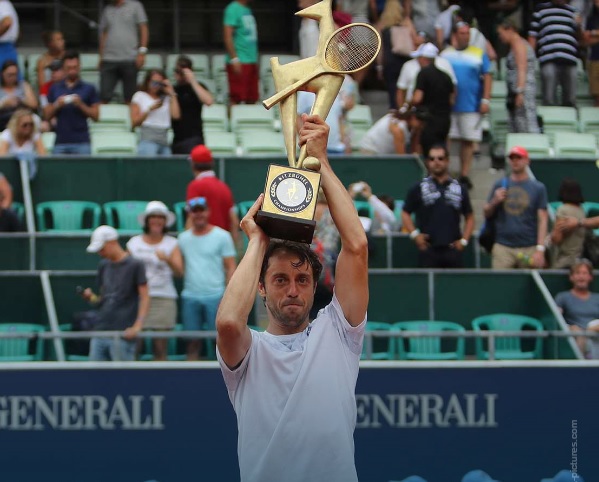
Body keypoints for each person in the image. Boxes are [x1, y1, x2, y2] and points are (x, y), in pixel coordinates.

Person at [215, 113, 369, 482]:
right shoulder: (248, 352)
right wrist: (257, 240)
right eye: (280, 279)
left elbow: (357, 246)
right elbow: (227, 322)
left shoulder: (339, 331)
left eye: (302, 279)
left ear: (315, 287)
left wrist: (323, 163)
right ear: (261, 287)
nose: (293, 289)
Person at [177, 196, 237, 360]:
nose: (199, 215)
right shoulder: (182, 239)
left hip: (216, 295)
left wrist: (227, 296)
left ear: (208, 212)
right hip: (190, 296)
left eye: (201, 210)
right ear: (190, 214)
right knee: (192, 343)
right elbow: (178, 268)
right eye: (194, 211)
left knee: (221, 342)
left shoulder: (222, 236)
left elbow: (230, 266)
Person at [82, 225, 149, 362]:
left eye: (102, 248)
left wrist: (137, 326)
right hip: (100, 331)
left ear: (112, 242)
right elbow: (102, 300)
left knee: (123, 379)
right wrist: (90, 298)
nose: (100, 253)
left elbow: (145, 297)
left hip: (122, 333)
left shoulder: (136, 265)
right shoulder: (103, 265)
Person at [401, 144, 474, 268]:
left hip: (453, 249)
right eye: (432, 159)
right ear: (427, 162)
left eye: (440, 158)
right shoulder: (418, 188)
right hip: (428, 249)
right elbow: (405, 212)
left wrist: (464, 241)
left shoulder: (460, 188)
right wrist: (414, 235)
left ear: (447, 161)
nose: (436, 162)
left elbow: (470, 217)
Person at [127, 201, 182, 361]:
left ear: (165, 222)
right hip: (138, 299)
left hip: (163, 297)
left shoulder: (172, 243)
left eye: (160, 217)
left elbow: (179, 272)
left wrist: (167, 260)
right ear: (147, 220)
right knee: (135, 346)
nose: (157, 221)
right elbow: (126, 272)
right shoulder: (133, 243)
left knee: (160, 347)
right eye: (153, 217)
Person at [441, 21, 492, 189]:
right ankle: (444, 173)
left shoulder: (478, 54)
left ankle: (464, 174)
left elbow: (488, 77)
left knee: (468, 141)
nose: (465, 36)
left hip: (471, 105)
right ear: (455, 35)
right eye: (462, 33)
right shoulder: (445, 55)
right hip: (448, 107)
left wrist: (485, 100)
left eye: (467, 33)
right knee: (447, 140)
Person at [483, 146, 549, 269]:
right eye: (512, 158)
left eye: (519, 158)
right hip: (503, 247)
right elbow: (486, 213)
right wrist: (494, 201)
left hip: (528, 247)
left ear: (527, 161)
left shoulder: (538, 188)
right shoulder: (500, 185)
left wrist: (540, 249)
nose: (515, 161)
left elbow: (543, 219)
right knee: (500, 283)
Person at [44, 50, 100, 155]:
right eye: (69, 68)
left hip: (82, 142)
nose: (72, 71)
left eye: (75, 67)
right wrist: (57, 105)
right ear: (64, 69)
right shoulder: (54, 88)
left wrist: (80, 104)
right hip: (60, 142)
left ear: (79, 67)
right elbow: (46, 115)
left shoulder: (89, 88)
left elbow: (96, 116)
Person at [185, 144, 240, 247]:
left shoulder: (195, 186)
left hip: (202, 245)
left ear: (192, 164)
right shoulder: (224, 187)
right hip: (222, 247)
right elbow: (234, 221)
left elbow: (191, 218)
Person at [528, 0, 580, 107]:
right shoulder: (540, 9)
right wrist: (529, 58)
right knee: (549, 98)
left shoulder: (573, 11)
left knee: (570, 100)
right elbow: (533, 36)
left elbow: (580, 37)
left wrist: (579, 26)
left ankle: (568, 122)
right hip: (548, 59)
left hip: (570, 59)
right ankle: (550, 121)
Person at [98, 0, 149, 104]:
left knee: (130, 98)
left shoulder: (136, 6)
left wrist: (142, 52)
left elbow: (143, 29)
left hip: (130, 58)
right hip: (109, 59)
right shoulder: (107, 9)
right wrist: (101, 56)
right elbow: (104, 33)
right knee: (104, 97)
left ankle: (129, 120)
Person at [410, 42, 456, 156]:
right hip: (445, 121)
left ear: (424, 59)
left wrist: (409, 103)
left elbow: (417, 98)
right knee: (441, 150)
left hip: (428, 121)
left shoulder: (423, 74)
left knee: (426, 152)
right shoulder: (446, 76)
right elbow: (452, 100)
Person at [497, 19, 540, 133]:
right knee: (517, 123)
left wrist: (520, 91)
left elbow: (522, 68)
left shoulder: (518, 43)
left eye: (501, 33)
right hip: (516, 90)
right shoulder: (515, 44)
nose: (500, 37)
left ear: (509, 30)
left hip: (522, 90)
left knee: (525, 123)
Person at [375, 0, 417, 109]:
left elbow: (380, 50)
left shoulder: (381, 25)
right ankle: (405, 109)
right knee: (405, 88)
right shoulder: (407, 23)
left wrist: (379, 67)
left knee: (392, 88)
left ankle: (394, 110)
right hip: (404, 60)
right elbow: (415, 40)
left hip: (389, 62)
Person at [555, 259, 599, 357]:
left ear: (590, 277)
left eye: (584, 273)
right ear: (571, 277)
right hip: (576, 335)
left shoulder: (597, 298)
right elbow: (556, 319)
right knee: (579, 334)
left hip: (595, 335)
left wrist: (592, 329)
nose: (581, 277)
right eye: (577, 273)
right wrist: (570, 327)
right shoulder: (563, 297)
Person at [130, 69, 180, 156]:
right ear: (148, 82)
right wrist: (150, 109)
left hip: (164, 138)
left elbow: (176, 115)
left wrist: (172, 93)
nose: (156, 86)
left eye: (159, 84)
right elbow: (134, 122)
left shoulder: (167, 98)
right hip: (148, 137)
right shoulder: (140, 96)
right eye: (154, 83)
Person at [171, 55, 214, 154]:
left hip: (195, 137)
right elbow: (175, 115)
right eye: (177, 71)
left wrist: (192, 81)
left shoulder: (198, 87)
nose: (180, 75)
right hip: (177, 138)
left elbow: (209, 101)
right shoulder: (173, 90)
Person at [223, 0, 259, 106]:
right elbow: (227, 36)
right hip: (240, 60)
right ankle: (232, 120)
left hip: (251, 60)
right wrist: (234, 58)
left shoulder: (247, 9)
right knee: (236, 97)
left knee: (252, 97)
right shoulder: (232, 9)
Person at [549, 178, 586, 269]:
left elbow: (557, 238)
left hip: (563, 261)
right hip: (578, 260)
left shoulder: (563, 209)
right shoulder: (582, 211)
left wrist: (550, 237)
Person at [0, 60, 38, 132]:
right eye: (9, 75)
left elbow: (34, 104)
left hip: (22, 117)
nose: (12, 77)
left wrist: (20, 100)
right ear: (2, 74)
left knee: (34, 119)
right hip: (3, 118)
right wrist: (4, 103)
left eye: (15, 74)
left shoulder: (23, 85)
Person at [582, 0, 599, 106]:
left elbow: (590, 36)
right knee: (597, 97)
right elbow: (586, 41)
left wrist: (594, 33)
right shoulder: (591, 18)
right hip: (595, 60)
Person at [0, 1, 18, 78]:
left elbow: (7, 22)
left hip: (4, 47)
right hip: (6, 46)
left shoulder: (3, 4)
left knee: (11, 81)